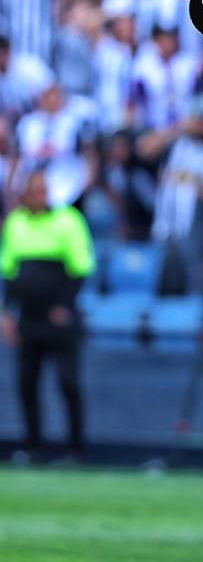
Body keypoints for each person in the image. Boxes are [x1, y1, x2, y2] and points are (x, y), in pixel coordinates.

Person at [1, 170, 96, 462]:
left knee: (68, 382)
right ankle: (33, 446)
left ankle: (76, 448)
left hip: (60, 316)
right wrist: (6, 313)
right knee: (26, 383)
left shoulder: (68, 220)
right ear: (25, 194)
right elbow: (9, 271)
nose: (39, 196)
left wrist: (64, 306)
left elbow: (80, 266)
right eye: (34, 191)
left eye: (43, 190)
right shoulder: (16, 223)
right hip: (28, 317)